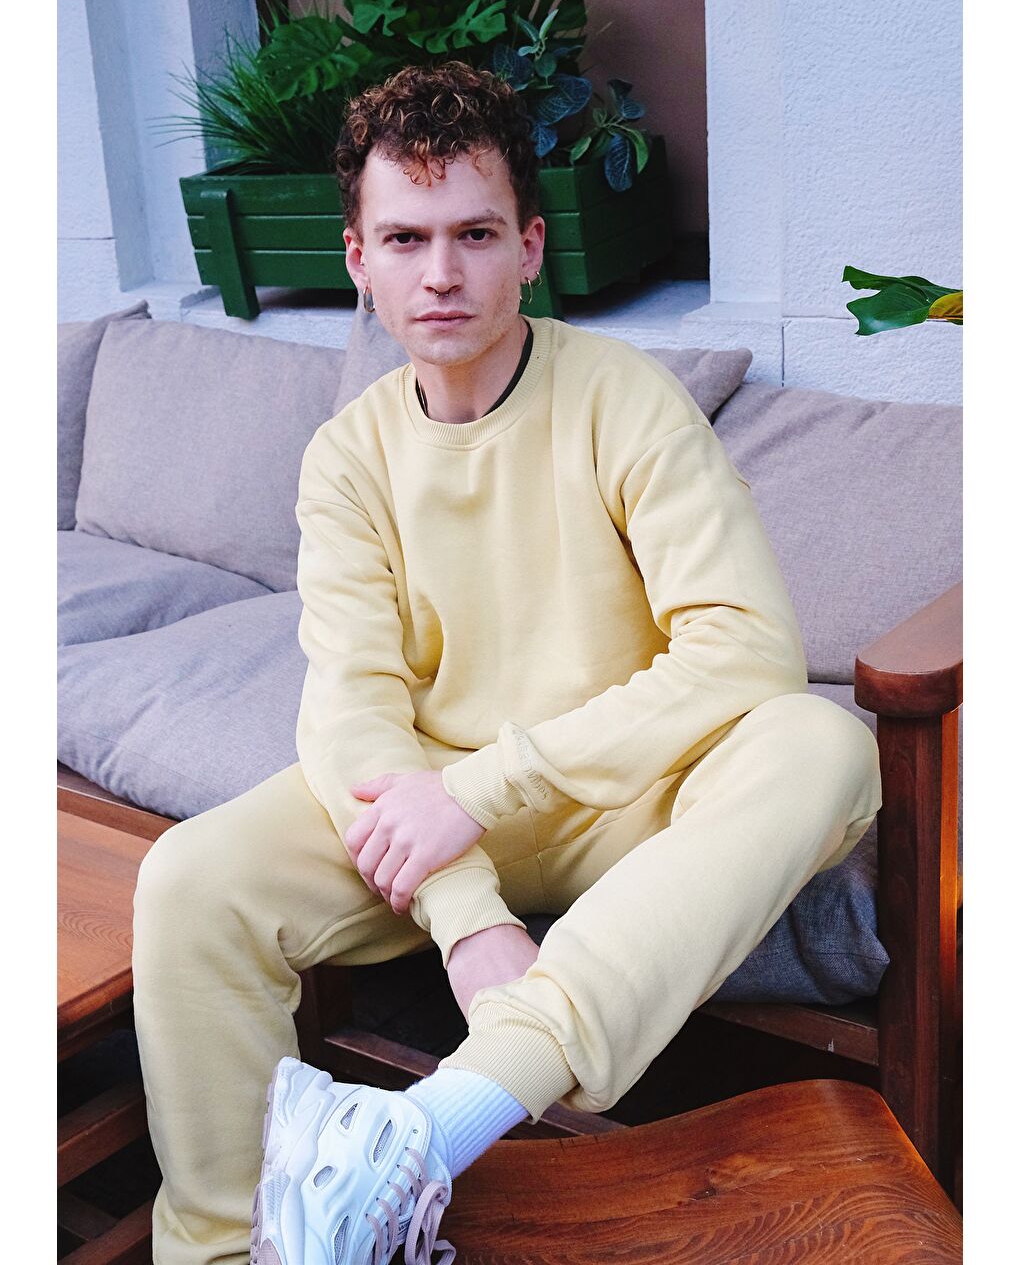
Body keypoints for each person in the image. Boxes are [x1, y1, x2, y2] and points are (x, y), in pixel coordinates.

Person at [132, 61, 882, 1265]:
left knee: (825, 743)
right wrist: (467, 913)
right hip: (429, 818)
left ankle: (431, 1126)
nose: (441, 272)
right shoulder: (347, 458)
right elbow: (352, 709)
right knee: (190, 880)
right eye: (406, 238)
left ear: (529, 248)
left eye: (475, 234)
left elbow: (745, 649)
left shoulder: (627, 400)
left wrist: (482, 791)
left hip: (632, 797)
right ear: (359, 259)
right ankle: (234, 1247)